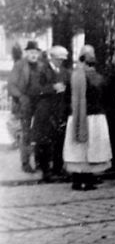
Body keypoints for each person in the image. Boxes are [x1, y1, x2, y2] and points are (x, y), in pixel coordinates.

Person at [63, 45, 112, 190]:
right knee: (91, 148)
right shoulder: (96, 77)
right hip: (94, 117)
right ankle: (89, 179)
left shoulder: (74, 75)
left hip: (77, 117)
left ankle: (77, 180)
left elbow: (67, 98)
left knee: (79, 149)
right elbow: (104, 94)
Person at [33, 46, 70, 182]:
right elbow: (35, 89)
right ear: (52, 57)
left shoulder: (65, 72)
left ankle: (58, 168)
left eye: (62, 60)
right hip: (45, 111)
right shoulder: (42, 70)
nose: (61, 62)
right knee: (45, 141)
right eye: (59, 59)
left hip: (59, 110)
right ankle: (45, 171)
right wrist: (52, 88)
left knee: (59, 140)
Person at [7, 41, 43, 173]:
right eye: (31, 52)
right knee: (26, 134)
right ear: (26, 53)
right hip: (25, 104)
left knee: (40, 133)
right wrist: (21, 97)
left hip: (39, 103)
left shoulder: (41, 65)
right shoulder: (19, 65)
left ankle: (40, 162)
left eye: (36, 52)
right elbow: (11, 85)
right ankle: (25, 163)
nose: (34, 55)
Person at [5, 43, 24, 150]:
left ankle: (18, 140)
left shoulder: (17, 65)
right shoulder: (21, 64)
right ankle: (18, 140)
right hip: (19, 96)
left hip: (18, 97)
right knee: (17, 120)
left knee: (14, 120)